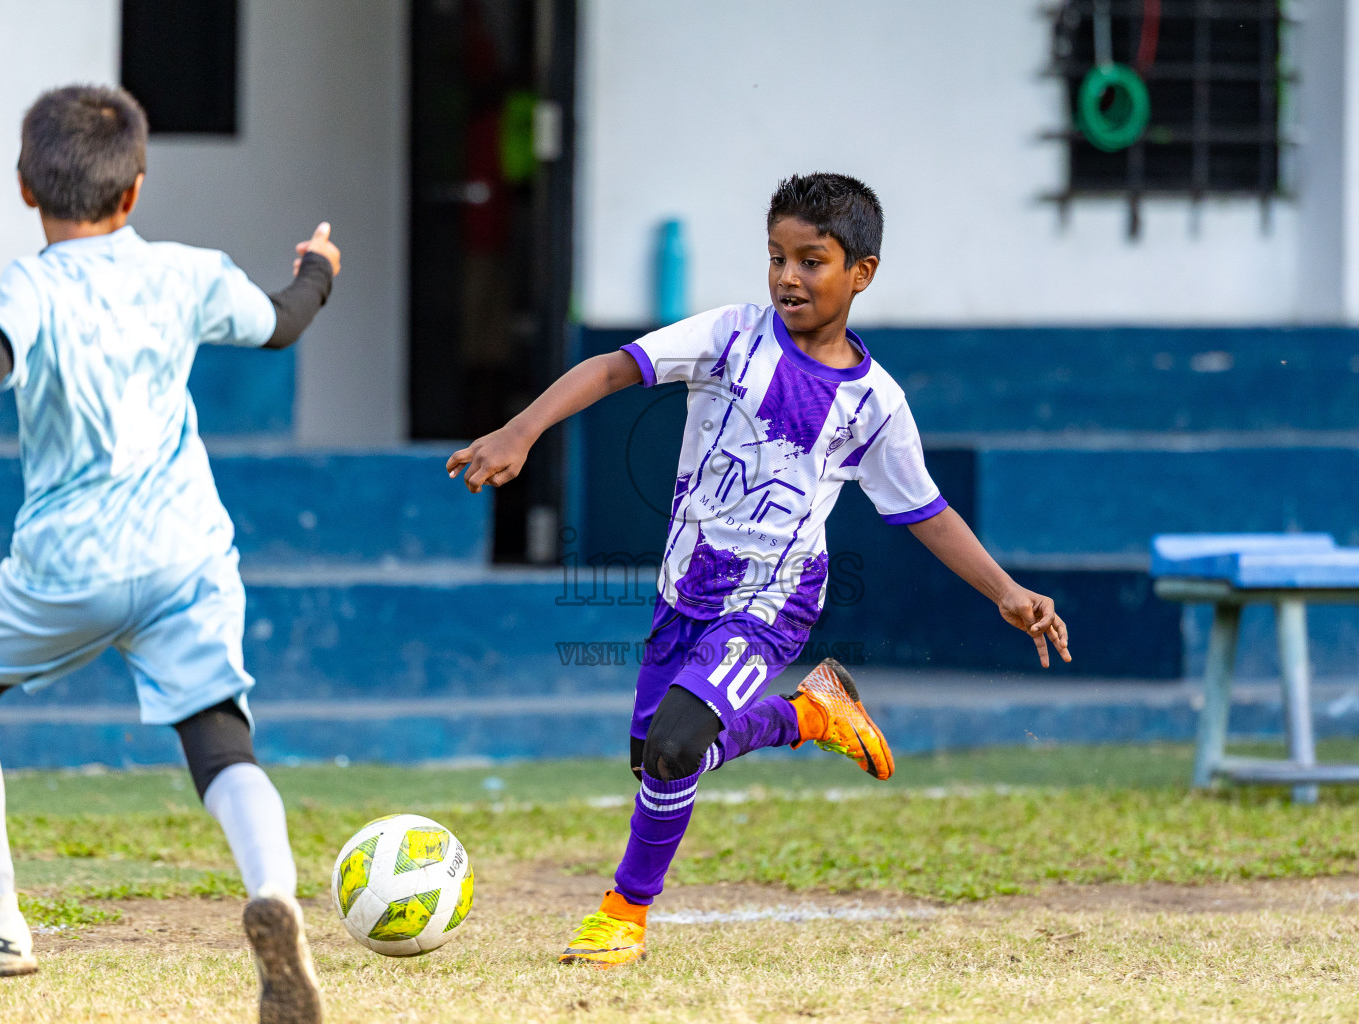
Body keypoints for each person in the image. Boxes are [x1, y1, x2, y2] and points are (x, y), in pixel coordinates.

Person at [447, 172, 1073, 967]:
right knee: (655, 764)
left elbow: (925, 511)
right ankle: (810, 717)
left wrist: (1007, 591)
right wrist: (520, 430)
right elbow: (611, 369)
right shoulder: (731, 336)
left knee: (677, 747)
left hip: (774, 602)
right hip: (685, 592)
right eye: (776, 257)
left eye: (812, 260)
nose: (787, 276)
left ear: (861, 273)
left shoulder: (876, 404)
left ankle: (622, 916)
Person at [0, 84, 337, 1023]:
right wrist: (320, 268)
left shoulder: (32, 283)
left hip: (65, 566)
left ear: (25, 188)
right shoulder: (187, 273)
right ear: (134, 192)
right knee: (218, 736)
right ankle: (274, 896)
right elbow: (281, 321)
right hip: (185, 555)